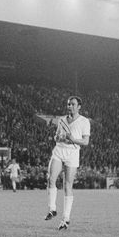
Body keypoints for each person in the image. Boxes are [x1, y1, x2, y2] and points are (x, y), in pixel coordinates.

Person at [44, 96, 90, 230]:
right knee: (50, 179)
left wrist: (73, 139)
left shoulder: (84, 121)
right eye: (69, 104)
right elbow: (57, 135)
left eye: (73, 104)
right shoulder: (62, 120)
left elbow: (85, 142)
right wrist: (58, 137)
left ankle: (66, 218)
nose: (70, 106)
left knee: (67, 185)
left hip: (72, 153)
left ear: (79, 106)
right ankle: (52, 209)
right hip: (59, 150)